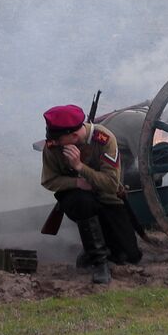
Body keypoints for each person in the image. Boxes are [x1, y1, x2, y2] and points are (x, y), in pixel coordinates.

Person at [42, 104, 141, 283]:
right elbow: (49, 180)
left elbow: (111, 185)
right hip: (77, 200)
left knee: (129, 255)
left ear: (74, 136)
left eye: (59, 139)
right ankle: (99, 261)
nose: (55, 143)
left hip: (107, 198)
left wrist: (80, 167)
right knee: (82, 201)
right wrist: (77, 183)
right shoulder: (53, 146)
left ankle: (91, 249)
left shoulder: (104, 140)